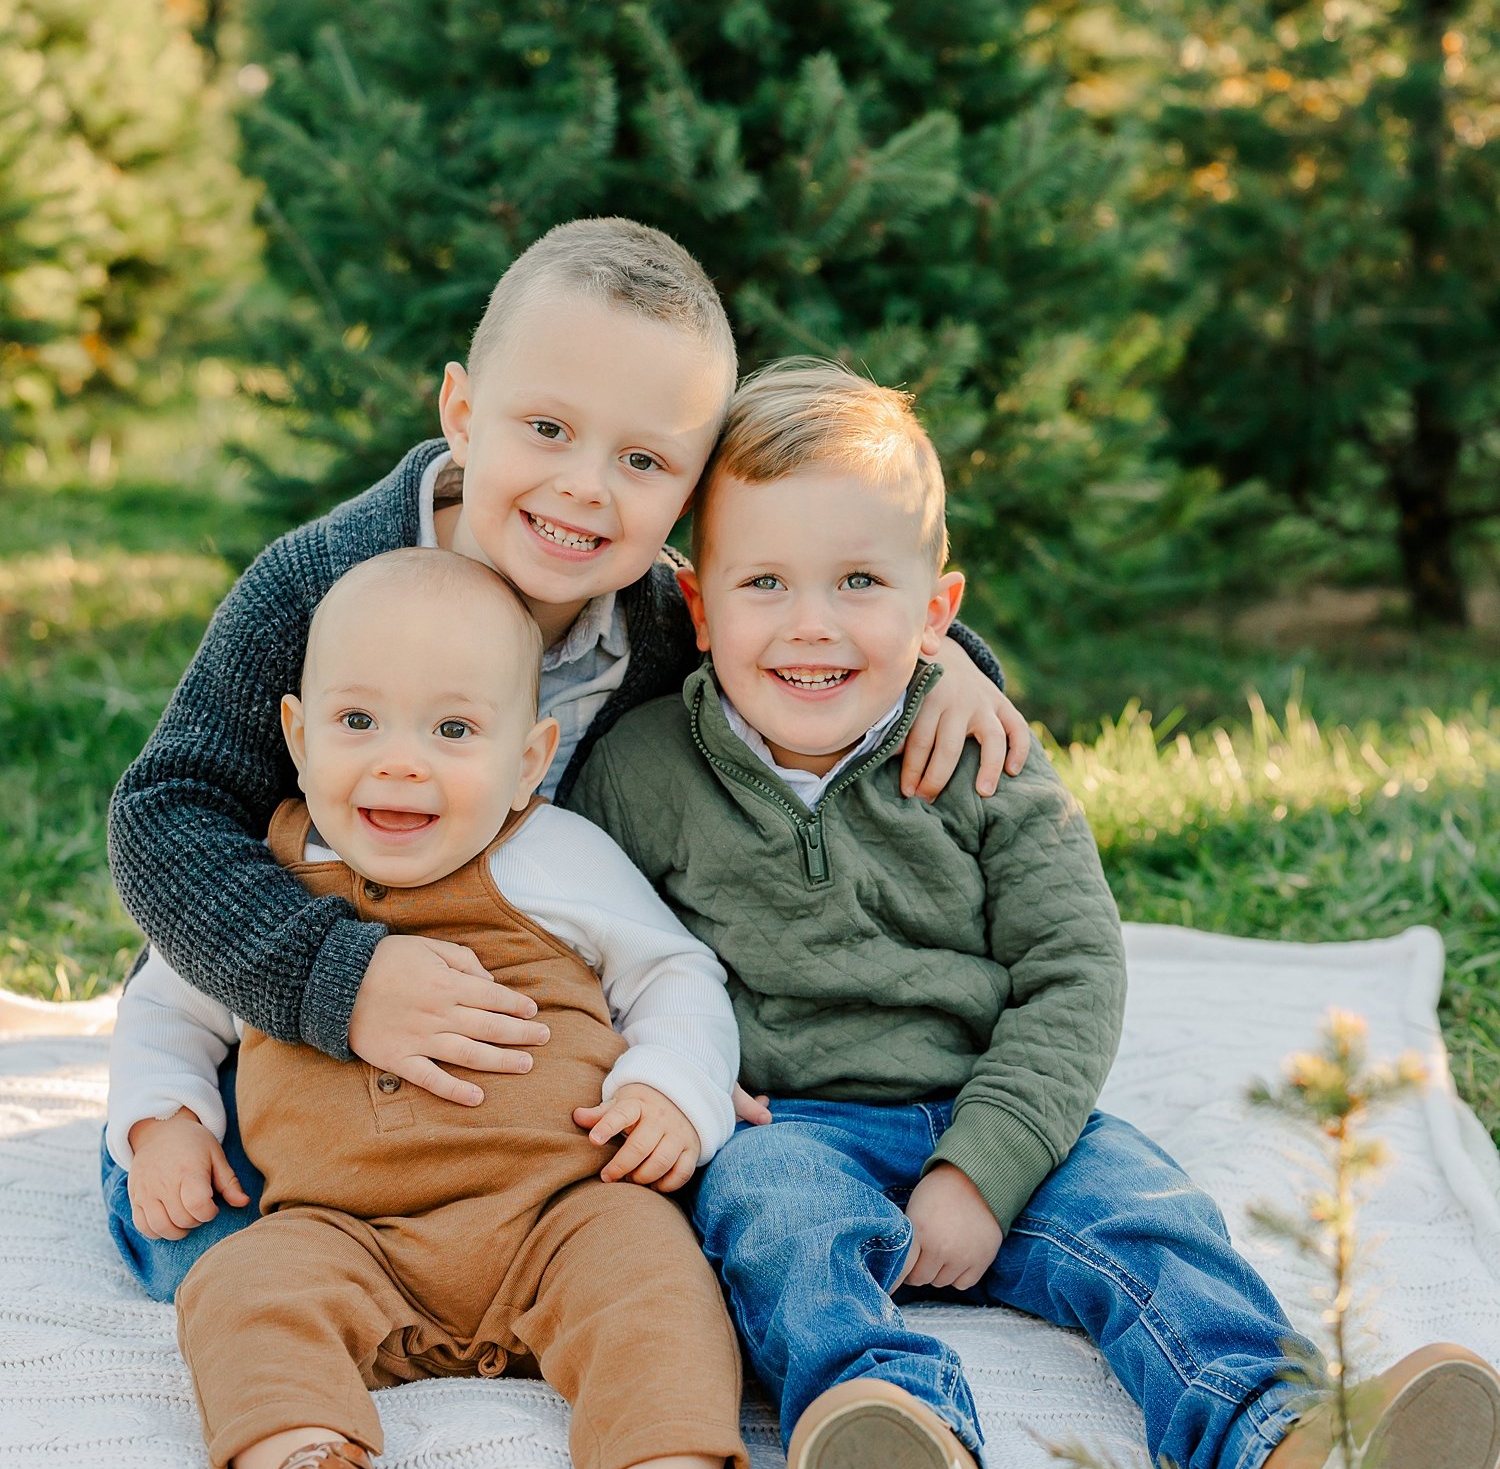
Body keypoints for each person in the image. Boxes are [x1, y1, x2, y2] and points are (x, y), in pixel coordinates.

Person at [572, 358, 1500, 1469]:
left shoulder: (987, 756)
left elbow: (1074, 972)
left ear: (936, 608)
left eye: (860, 584)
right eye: (764, 583)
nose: (810, 625)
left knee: (1151, 1215)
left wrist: (987, 1164)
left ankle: (1280, 1459)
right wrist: (664, 1072)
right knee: (770, 1225)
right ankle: (907, 1450)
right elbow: (580, 944)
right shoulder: (638, 772)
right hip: (784, 1119)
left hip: (989, 1098)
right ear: (695, 599)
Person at [103, 217, 1030, 1296]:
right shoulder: (318, 583)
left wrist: (950, 662)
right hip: (284, 1027)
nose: (586, 487)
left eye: (643, 460)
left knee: (687, 1232)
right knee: (214, 1246)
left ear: (690, 495)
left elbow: (810, 627)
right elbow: (166, 810)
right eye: (546, 427)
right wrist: (336, 980)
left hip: (534, 1071)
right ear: (462, 413)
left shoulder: (663, 629)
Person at [111, 547, 750, 1469]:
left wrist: (673, 1087)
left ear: (528, 760)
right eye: (360, 724)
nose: (400, 766)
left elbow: (675, 977)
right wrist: (165, 1123)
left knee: (660, 1287)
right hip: (344, 1231)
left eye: (454, 733)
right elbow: (166, 1013)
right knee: (240, 1286)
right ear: (300, 738)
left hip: (560, 1212)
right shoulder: (257, 882)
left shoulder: (559, 853)